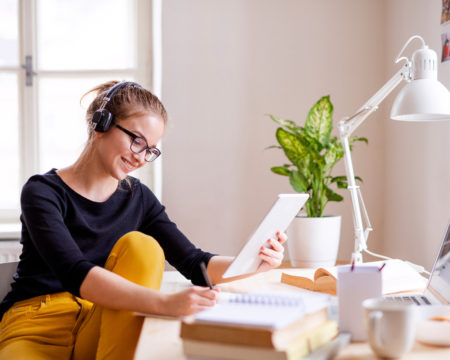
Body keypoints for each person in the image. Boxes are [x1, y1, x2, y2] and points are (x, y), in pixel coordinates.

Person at [0, 81, 287, 360]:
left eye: (150, 150)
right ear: (101, 124)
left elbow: (195, 262)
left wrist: (254, 261)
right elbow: (75, 273)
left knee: (142, 247)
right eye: (136, 141)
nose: (141, 158)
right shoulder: (42, 192)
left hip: (100, 318)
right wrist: (164, 303)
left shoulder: (139, 197)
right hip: (37, 322)